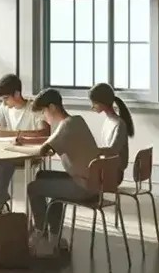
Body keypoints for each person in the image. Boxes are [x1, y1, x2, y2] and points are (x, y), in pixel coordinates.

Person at [16, 88, 100, 250]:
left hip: (83, 187)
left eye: (44, 112)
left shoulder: (64, 126)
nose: (44, 117)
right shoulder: (77, 120)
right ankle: (54, 237)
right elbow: (49, 142)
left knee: (33, 187)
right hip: (93, 183)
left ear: (52, 108)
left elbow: (43, 149)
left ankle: (40, 231)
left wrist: (19, 147)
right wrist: (26, 139)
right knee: (42, 175)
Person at [0, 74, 50, 214]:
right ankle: (3, 196)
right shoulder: (5, 107)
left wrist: (10, 133)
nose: (4, 103)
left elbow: (43, 132)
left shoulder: (34, 108)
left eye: (6, 98)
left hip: (29, 152)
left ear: (17, 93)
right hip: (10, 150)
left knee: (5, 164)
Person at [89, 82, 134, 186]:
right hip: (106, 168)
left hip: (114, 173)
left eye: (94, 103)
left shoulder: (119, 124)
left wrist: (93, 150)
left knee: (79, 177)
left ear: (102, 103)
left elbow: (113, 151)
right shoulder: (108, 121)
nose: (92, 107)